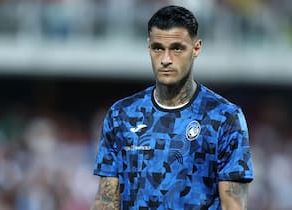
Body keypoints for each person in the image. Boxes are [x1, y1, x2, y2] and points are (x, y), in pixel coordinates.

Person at [91, 5, 254, 210]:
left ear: (196, 48)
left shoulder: (224, 117)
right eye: (158, 48)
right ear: (148, 47)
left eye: (177, 48)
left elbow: (233, 205)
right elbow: (106, 201)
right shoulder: (121, 115)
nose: (166, 60)